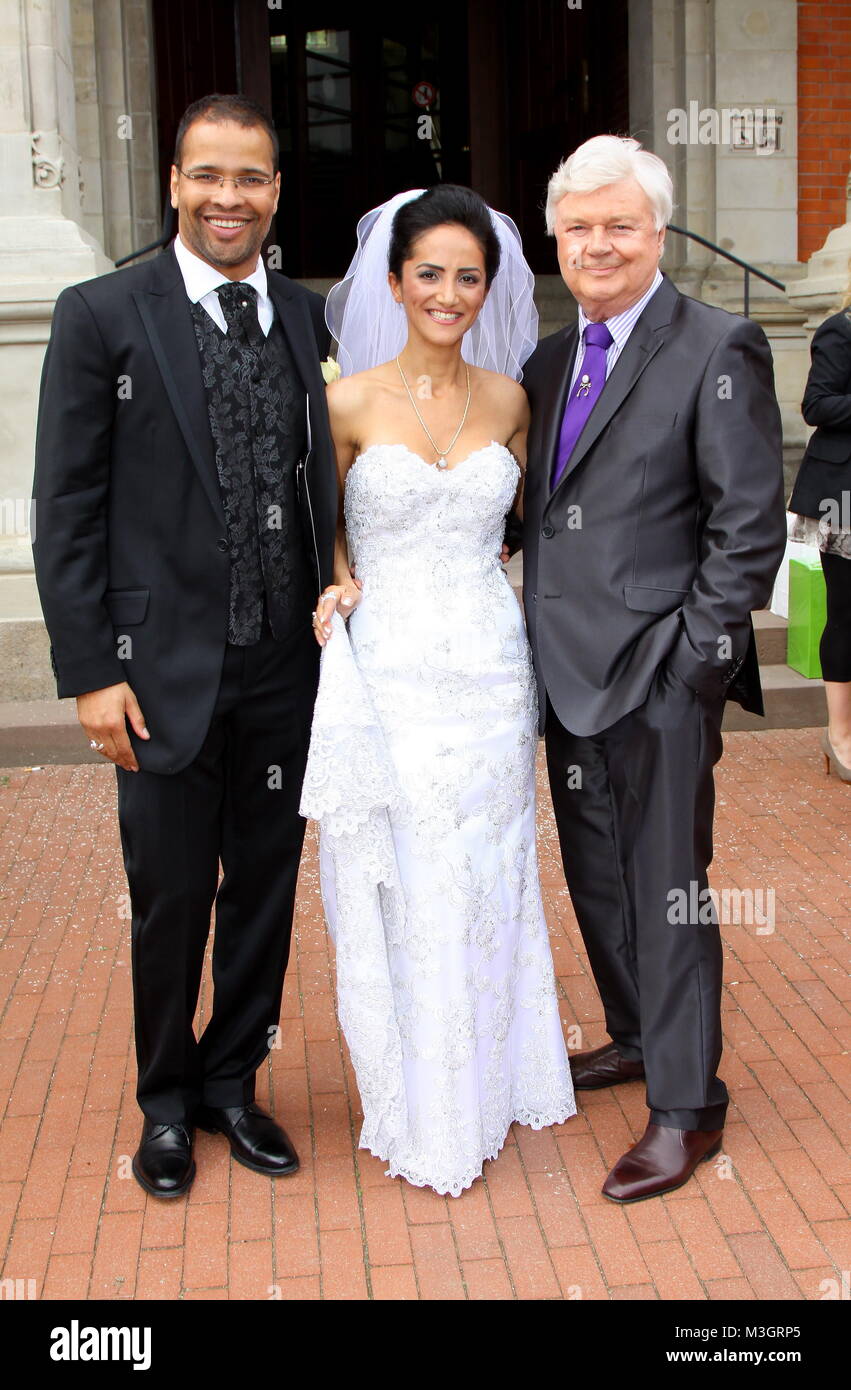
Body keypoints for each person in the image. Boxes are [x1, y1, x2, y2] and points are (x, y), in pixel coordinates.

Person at [32, 94, 338, 1197]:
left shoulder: (307, 318)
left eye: (250, 178)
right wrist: (91, 671)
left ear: (272, 193)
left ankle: (230, 1085)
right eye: (208, 175)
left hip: (284, 671)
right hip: (157, 675)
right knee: (168, 898)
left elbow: (324, 478)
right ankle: (164, 1102)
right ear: (172, 181)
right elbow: (64, 503)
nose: (228, 197)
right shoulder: (102, 313)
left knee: (262, 887)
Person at [520, 135, 787, 1202]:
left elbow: (746, 526)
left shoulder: (715, 344)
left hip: (659, 678)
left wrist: (691, 670)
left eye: (617, 225)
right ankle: (634, 1034)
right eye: (577, 226)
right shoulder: (546, 360)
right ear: (555, 237)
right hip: (560, 677)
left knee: (667, 888)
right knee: (595, 879)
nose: (597, 244)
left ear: (656, 233)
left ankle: (686, 1108)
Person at [299, 186, 576, 1198]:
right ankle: (420, 1089)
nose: (448, 293)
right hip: (394, 673)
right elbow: (321, 525)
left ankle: (497, 1070)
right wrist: (336, 579)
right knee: (408, 875)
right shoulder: (342, 402)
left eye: (467, 277)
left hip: (493, 675)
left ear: (488, 288)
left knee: (490, 865)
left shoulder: (509, 400)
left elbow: (532, 528)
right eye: (430, 274)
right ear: (392, 281)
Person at [788, 289, 851, 783]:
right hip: (843, 497)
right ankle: (840, 734)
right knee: (847, 612)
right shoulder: (840, 329)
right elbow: (817, 405)